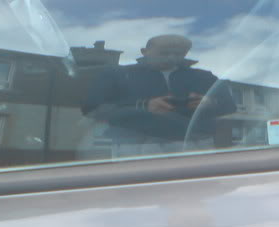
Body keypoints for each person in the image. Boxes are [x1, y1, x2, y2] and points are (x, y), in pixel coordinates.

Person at [82, 34, 236, 157]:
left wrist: (210, 103)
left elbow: (230, 106)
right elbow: (92, 109)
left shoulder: (204, 77)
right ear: (144, 51)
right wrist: (144, 106)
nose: (171, 58)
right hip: (134, 145)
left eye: (179, 53)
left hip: (195, 145)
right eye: (164, 53)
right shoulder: (117, 74)